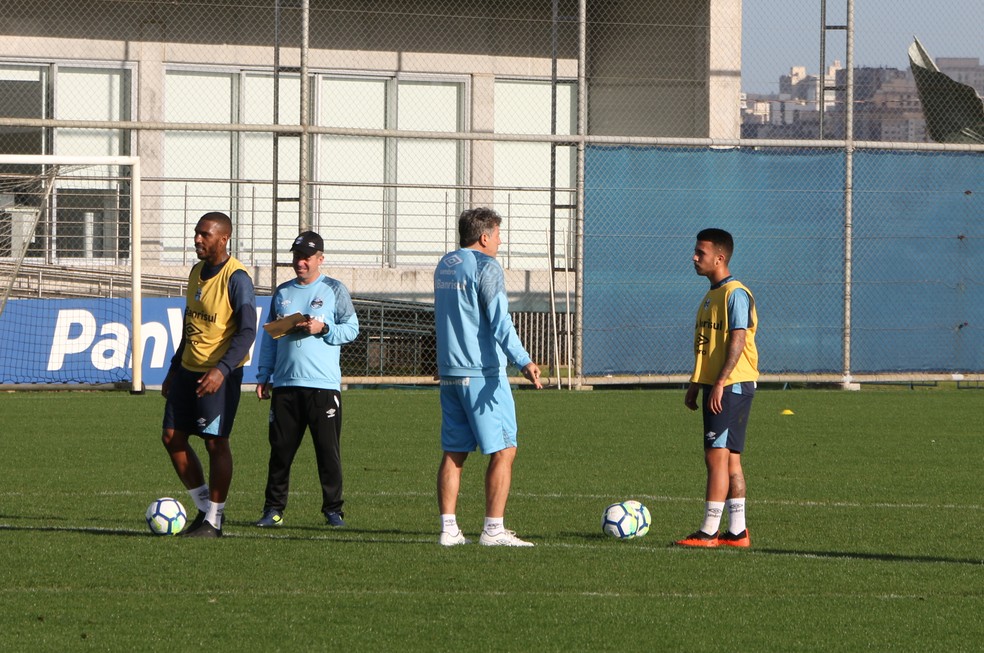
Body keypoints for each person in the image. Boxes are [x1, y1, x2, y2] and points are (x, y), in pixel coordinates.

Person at [434, 207, 543, 547]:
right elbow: (499, 321)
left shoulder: (445, 264)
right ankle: (493, 530)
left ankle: (448, 530)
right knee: (505, 449)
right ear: (484, 237)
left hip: (450, 372)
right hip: (481, 373)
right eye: (497, 235)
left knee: (454, 451)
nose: (500, 241)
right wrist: (523, 361)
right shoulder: (486, 266)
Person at [254, 231, 360, 528]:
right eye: (296, 256)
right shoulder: (283, 292)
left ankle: (333, 510)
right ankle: (273, 510)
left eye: (306, 257)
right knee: (280, 451)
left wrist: (323, 329)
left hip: (323, 386)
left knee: (328, 452)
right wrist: (264, 375)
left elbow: (352, 329)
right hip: (286, 385)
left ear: (320, 259)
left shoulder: (334, 289)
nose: (299, 262)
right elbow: (270, 338)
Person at [161, 212, 257, 538]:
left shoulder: (237, 278)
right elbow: (191, 324)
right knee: (172, 438)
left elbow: (247, 332)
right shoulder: (195, 272)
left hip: (219, 375)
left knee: (216, 443)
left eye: (205, 234)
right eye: (196, 234)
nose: (198, 240)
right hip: (188, 370)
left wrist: (221, 370)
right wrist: (175, 368)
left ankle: (214, 521)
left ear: (224, 238)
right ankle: (204, 510)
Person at [676, 228, 758, 548]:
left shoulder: (734, 293)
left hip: (731, 385)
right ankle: (737, 532)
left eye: (701, 253)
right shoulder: (712, 294)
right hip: (722, 384)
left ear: (720, 258)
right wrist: (696, 384)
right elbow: (707, 345)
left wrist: (720, 381)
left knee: (715, 457)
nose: (694, 257)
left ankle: (709, 531)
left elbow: (737, 339)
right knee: (731, 460)